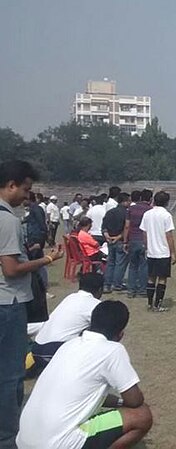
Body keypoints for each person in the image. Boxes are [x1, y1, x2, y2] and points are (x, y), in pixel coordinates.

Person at [17, 301, 152, 449]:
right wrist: (127, 401)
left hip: (24, 439)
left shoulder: (68, 345)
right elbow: (134, 401)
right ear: (120, 334)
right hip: (57, 443)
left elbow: (83, 393)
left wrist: (119, 402)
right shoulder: (112, 350)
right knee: (142, 415)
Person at [0, 160, 64, 447]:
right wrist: (47, 260)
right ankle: (8, 436)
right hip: (8, 301)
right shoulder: (8, 220)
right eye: (25, 190)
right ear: (11, 185)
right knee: (11, 374)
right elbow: (12, 269)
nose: (27, 196)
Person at [29, 273, 104, 375]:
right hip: (52, 350)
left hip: (36, 349)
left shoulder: (70, 297)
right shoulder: (95, 305)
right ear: (100, 290)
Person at [140, 191, 176, 312]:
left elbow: (144, 233)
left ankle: (150, 303)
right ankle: (158, 304)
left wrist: (146, 247)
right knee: (162, 278)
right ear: (167, 202)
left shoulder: (147, 214)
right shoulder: (166, 215)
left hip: (151, 251)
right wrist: (173, 253)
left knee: (151, 277)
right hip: (163, 251)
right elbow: (169, 235)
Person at [124, 189, 152, 299]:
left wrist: (125, 241)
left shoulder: (130, 209)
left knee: (133, 266)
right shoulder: (150, 210)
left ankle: (131, 290)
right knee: (144, 266)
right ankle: (142, 289)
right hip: (145, 240)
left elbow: (127, 226)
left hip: (133, 240)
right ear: (150, 199)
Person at [102, 193, 131, 293]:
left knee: (110, 263)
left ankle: (107, 284)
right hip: (120, 240)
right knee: (120, 263)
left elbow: (104, 226)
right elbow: (127, 228)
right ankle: (117, 284)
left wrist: (107, 236)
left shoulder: (110, 212)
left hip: (110, 240)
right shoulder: (126, 213)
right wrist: (119, 237)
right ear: (126, 201)